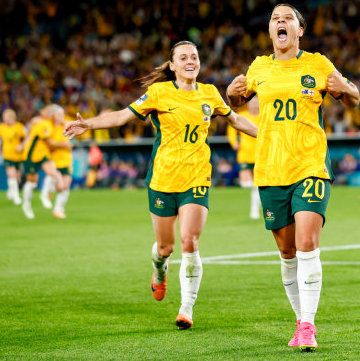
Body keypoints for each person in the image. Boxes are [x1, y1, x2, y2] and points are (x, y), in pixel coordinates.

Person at [64, 41, 258, 330]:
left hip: (196, 178)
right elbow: (122, 116)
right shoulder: (159, 92)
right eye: (183, 57)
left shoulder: (209, 93)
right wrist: (89, 125)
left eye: (194, 56)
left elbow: (237, 120)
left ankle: (186, 308)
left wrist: (270, 137)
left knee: (189, 242)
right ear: (172, 65)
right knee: (165, 248)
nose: (190, 61)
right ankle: (159, 270)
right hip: (162, 180)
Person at [226, 4, 360, 352]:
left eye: (287, 18)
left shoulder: (318, 63)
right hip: (271, 167)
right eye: (275, 19)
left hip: (310, 164)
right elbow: (238, 102)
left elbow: (353, 99)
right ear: (271, 31)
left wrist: (346, 88)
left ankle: (308, 325)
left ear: (300, 30)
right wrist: (231, 93)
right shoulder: (258, 67)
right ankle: (300, 320)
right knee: (287, 252)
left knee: (306, 242)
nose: (280, 22)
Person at [19, 105, 65, 219]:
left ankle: (45, 195)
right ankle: (26, 205)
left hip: (43, 154)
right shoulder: (42, 123)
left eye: (52, 111)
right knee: (32, 182)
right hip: (31, 155)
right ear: (42, 112)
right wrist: (64, 145)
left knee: (53, 173)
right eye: (48, 111)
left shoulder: (49, 123)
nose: (50, 113)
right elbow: (48, 141)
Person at [227, 97, 261, 219]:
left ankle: (254, 211)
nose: (254, 104)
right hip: (245, 153)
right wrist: (234, 142)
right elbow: (231, 128)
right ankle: (257, 196)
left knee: (257, 184)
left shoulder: (263, 116)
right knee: (246, 183)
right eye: (252, 102)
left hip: (260, 154)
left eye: (256, 101)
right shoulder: (242, 115)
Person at [48, 105, 73, 219]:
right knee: (60, 186)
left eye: (62, 114)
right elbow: (48, 144)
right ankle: (50, 188)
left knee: (66, 186)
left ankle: (58, 209)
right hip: (54, 161)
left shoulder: (66, 125)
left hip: (66, 160)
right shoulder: (50, 127)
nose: (61, 117)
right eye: (58, 114)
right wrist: (61, 145)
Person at [0, 109, 25, 205]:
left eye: (7, 118)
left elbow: (27, 138)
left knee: (17, 177)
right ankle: (16, 197)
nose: (5, 120)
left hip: (19, 156)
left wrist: (22, 146)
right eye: (4, 118)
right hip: (8, 155)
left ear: (12, 118)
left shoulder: (19, 127)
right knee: (11, 174)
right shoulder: (2, 127)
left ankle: (11, 190)